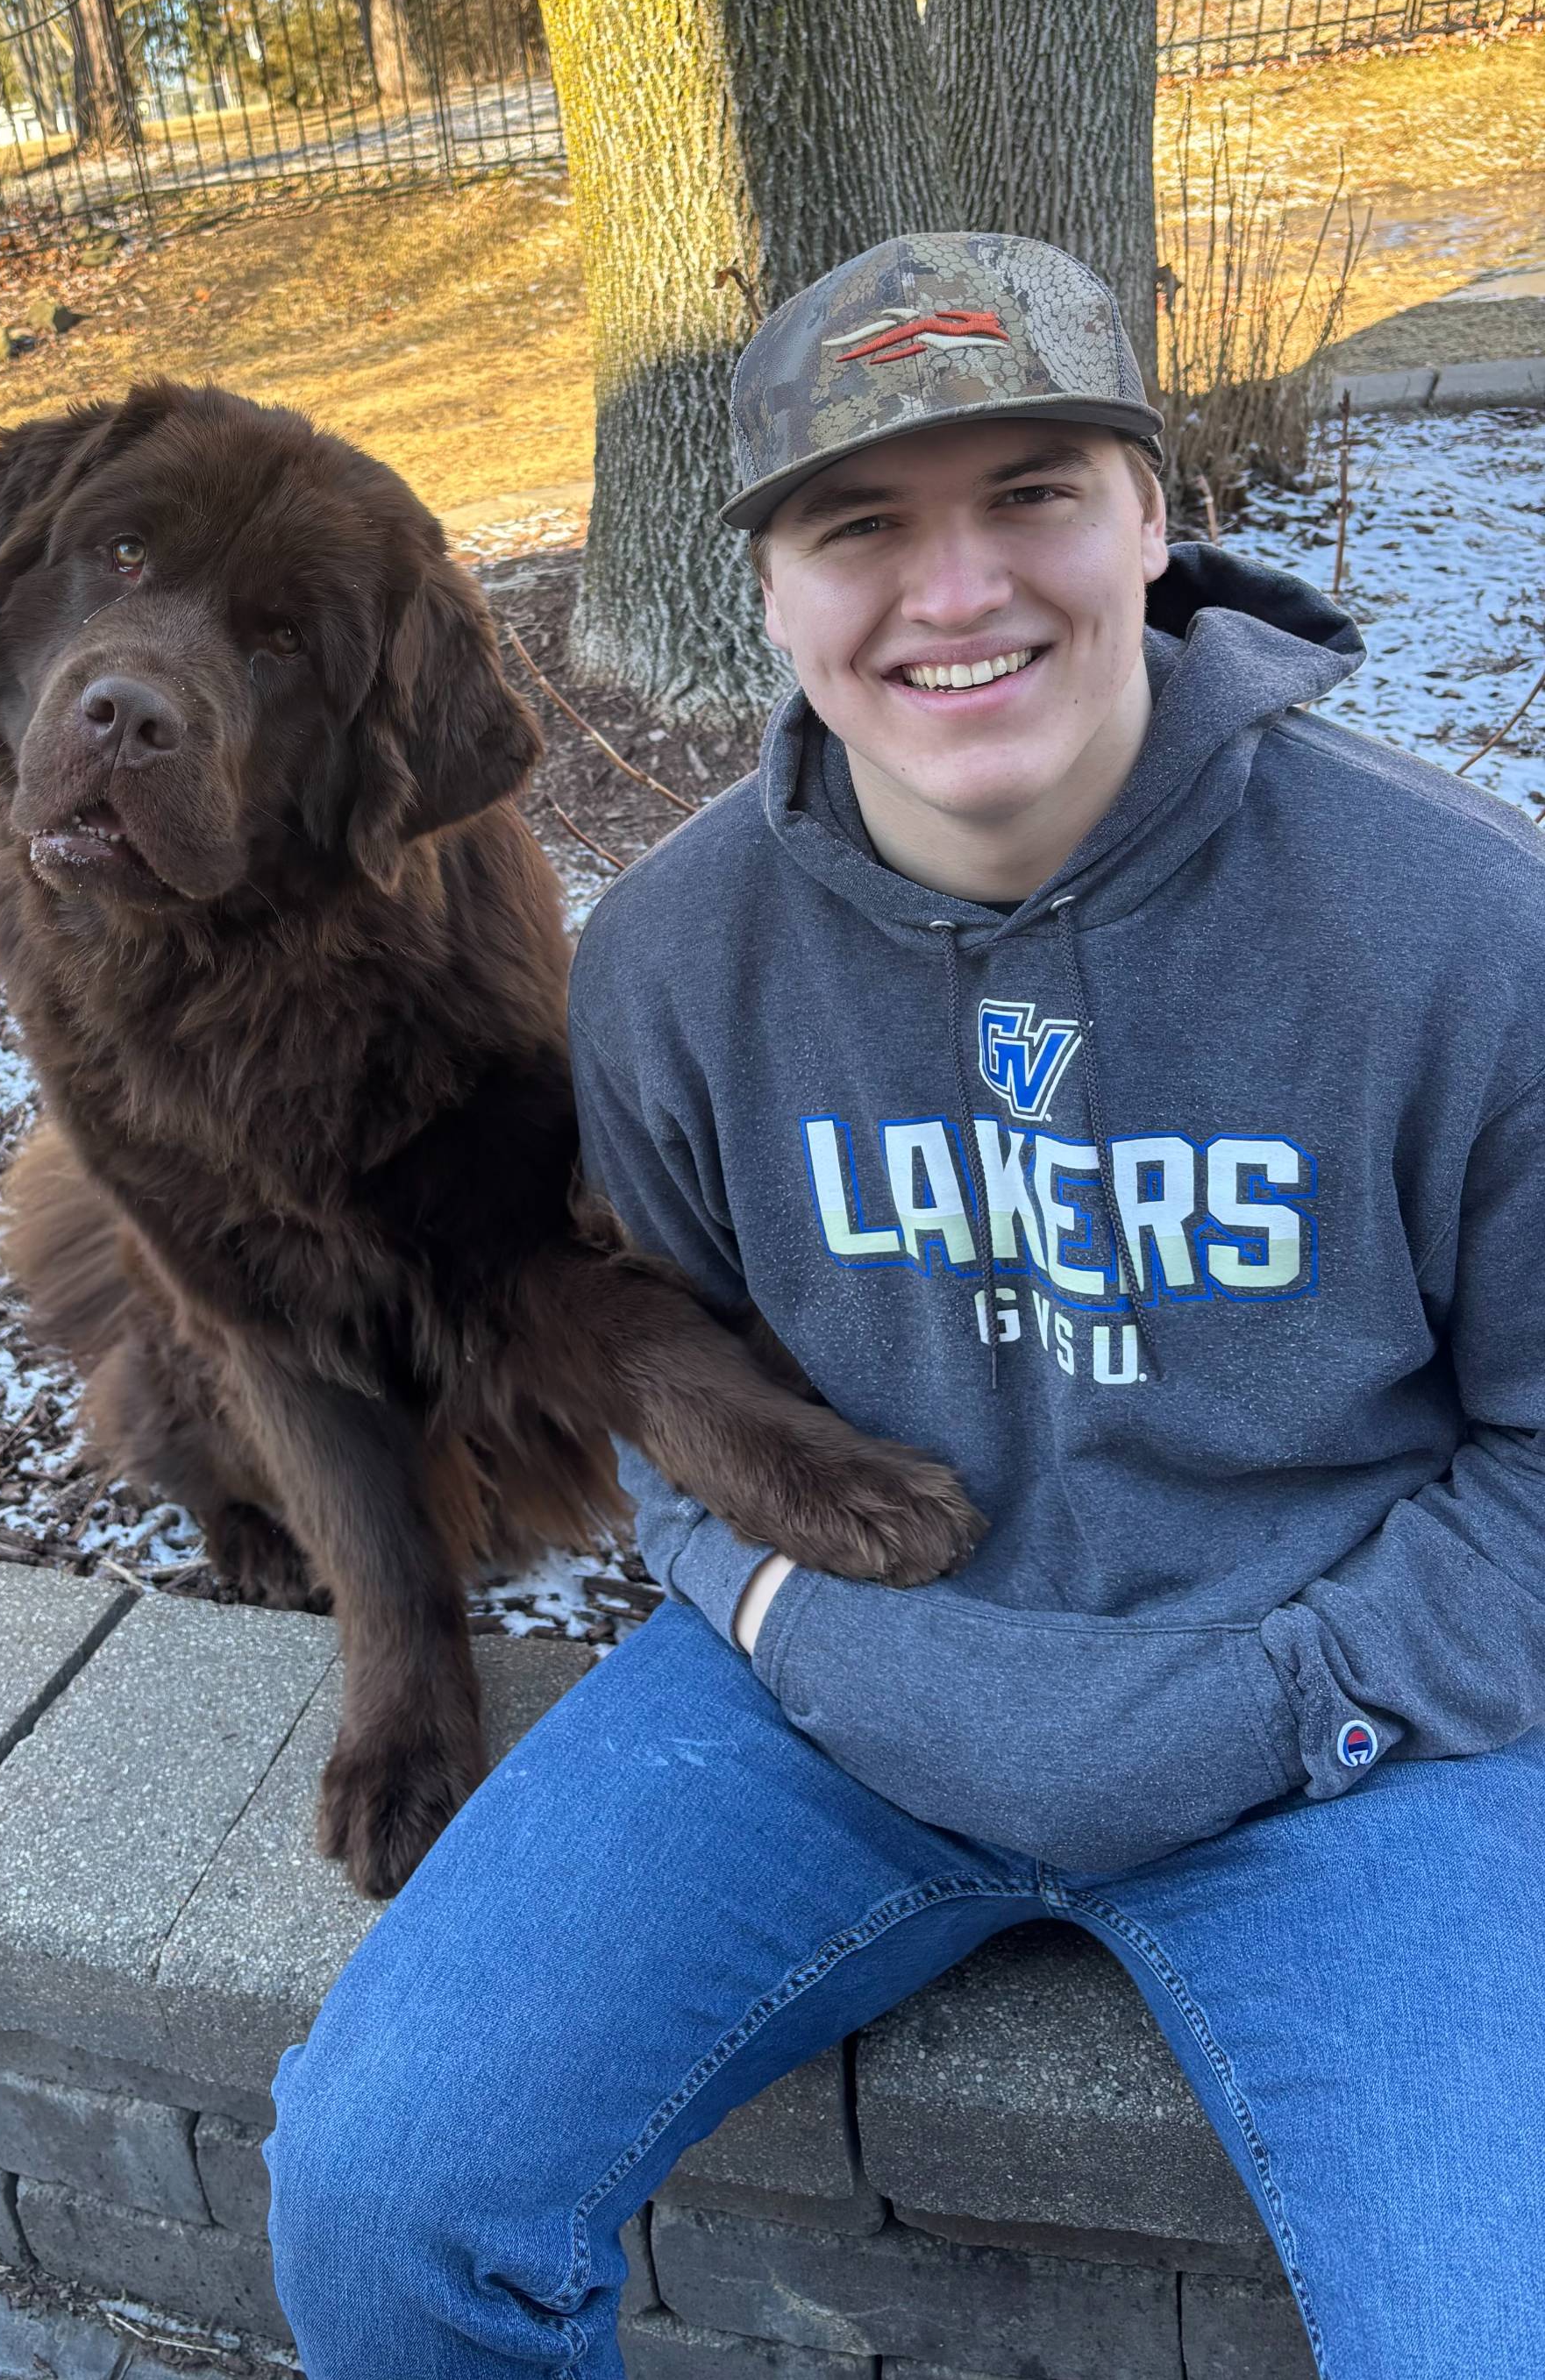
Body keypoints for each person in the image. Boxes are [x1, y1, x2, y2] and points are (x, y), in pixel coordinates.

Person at [265, 234, 1545, 2378]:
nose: (953, 592)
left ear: (1151, 518)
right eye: (859, 525)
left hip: (1346, 1741)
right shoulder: (673, 964)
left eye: (1031, 493)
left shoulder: (1463, 933)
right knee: (385, 2201)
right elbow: (667, 1385)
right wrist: (796, 1627)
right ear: (771, 592)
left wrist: (1275, 1704)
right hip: (820, 1714)